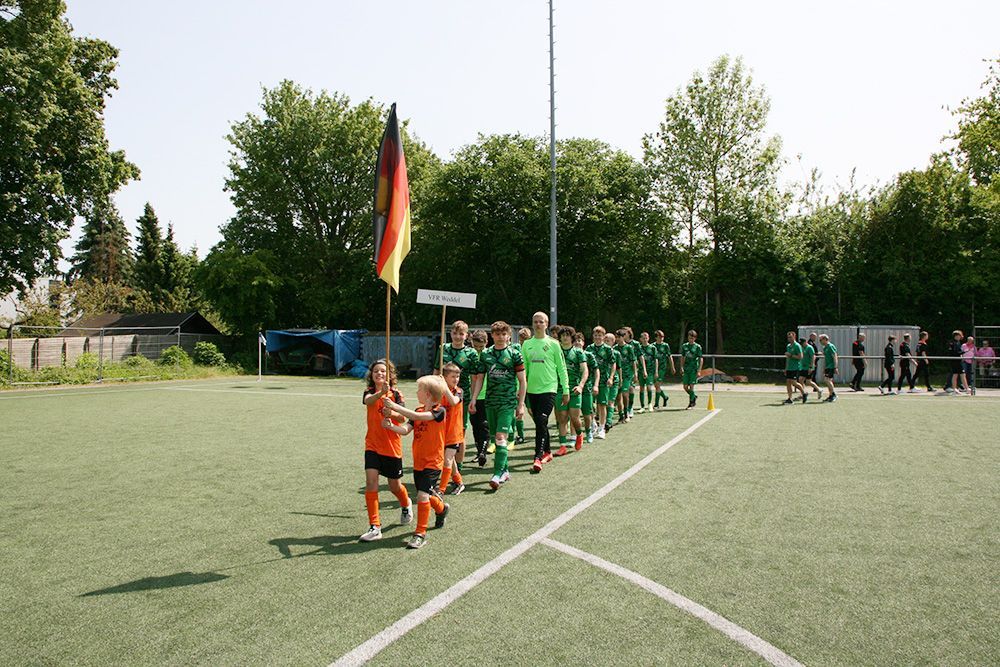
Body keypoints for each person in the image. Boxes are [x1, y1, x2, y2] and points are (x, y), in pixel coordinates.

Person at [381, 375, 452, 550]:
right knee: (427, 494)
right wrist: (390, 426)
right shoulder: (418, 410)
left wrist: (395, 406)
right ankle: (442, 509)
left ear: (428, 394)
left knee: (422, 495)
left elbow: (416, 416)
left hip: (433, 462)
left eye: (419, 390)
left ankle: (420, 533)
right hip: (419, 461)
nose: (417, 392)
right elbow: (406, 430)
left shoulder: (439, 411)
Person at [359, 359, 413, 542]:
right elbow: (368, 401)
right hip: (372, 444)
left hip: (391, 446)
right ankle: (375, 526)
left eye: (383, 371)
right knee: (371, 482)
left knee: (394, 486)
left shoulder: (396, 394)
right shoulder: (369, 392)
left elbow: (403, 417)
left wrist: (392, 413)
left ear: (390, 374)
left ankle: (405, 503)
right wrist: (381, 393)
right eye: (376, 371)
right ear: (372, 375)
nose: (379, 374)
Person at [469, 321, 527, 490]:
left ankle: (496, 474)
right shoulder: (486, 354)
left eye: (503, 334)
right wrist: (474, 399)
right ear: (492, 335)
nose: (501, 337)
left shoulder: (515, 354)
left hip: (507, 402)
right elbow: (479, 378)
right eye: (497, 334)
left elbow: (522, 381)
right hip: (490, 402)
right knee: (496, 438)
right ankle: (505, 471)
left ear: (508, 336)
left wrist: (521, 404)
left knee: (501, 437)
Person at [521, 311, 570, 472]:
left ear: (546, 324)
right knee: (540, 422)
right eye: (535, 321)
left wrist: (565, 389)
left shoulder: (554, 344)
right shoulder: (526, 344)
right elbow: (524, 370)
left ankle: (538, 456)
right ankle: (548, 452)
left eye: (541, 321)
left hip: (549, 389)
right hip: (532, 390)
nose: (538, 324)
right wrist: (521, 390)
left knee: (541, 420)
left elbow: (561, 368)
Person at [435, 320, 478, 470]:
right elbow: (436, 371)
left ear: (466, 335)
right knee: (441, 429)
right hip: (442, 395)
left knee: (459, 432)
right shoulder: (443, 348)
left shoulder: (471, 353)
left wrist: (473, 399)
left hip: (461, 397)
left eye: (461, 333)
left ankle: (458, 467)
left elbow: (474, 378)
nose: (457, 336)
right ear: (450, 333)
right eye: (455, 333)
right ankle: (443, 464)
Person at [554, 326, 588, 455]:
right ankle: (562, 446)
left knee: (574, 418)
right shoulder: (556, 351)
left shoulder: (578, 352)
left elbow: (585, 370)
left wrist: (580, 386)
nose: (565, 337)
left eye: (567, 335)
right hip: (560, 389)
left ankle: (579, 434)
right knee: (562, 418)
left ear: (572, 337)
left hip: (574, 390)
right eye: (562, 335)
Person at [438, 363, 466, 496]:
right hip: (441, 431)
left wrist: (444, 387)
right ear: (445, 377)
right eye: (453, 377)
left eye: (457, 376)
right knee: (449, 459)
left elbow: (453, 401)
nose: (456, 379)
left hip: (454, 432)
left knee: (447, 459)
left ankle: (441, 490)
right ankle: (459, 482)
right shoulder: (439, 391)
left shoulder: (458, 391)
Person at [586, 326, 616, 440]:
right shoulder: (589, 348)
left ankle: (602, 428)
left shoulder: (608, 349)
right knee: (590, 405)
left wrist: (611, 377)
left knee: (602, 404)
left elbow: (613, 363)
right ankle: (593, 424)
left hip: (603, 380)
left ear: (603, 337)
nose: (597, 337)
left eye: (600, 335)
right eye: (595, 335)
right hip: (590, 380)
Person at [467, 330, 492, 465]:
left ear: (486, 343)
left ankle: (483, 452)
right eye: (475, 346)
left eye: (481, 347)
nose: (478, 349)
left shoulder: (489, 355)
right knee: (475, 425)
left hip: (486, 395)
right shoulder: (470, 355)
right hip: (472, 396)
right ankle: (479, 452)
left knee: (484, 425)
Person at [575, 332, 600, 443]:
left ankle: (589, 431)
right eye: (575, 341)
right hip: (573, 387)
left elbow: (596, 370)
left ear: (583, 343)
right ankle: (575, 435)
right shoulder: (570, 355)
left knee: (587, 413)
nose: (577, 343)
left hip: (587, 388)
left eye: (579, 340)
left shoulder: (589, 355)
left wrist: (596, 385)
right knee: (573, 413)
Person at [512, 327, 532, 446]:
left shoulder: (532, 348)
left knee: (531, 410)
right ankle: (520, 435)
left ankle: (541, 428)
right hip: (518, 384)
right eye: (521, 339)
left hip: (530, 384)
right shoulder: (515, 348)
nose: (523, 341)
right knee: (517, 411)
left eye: (525, 339)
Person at [613, 329, 635, 424]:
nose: (617, 339)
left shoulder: (629, 348)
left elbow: (633, 361)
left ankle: (627, 413)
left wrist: (635, 374)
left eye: (619, 337)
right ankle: (621, 414)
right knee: (618, 396)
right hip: (617, 374)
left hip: (627, 374)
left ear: (623, 337)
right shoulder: (614, 348)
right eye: (616, 337)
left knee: (625, 394)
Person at [681, 329, 703, 409]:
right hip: (686, 369)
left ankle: (691, 403)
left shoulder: (697, 347)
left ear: (695, 338)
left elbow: (701, 359)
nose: (691, 339)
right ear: (688, 337)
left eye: (693, 338)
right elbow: (682, 357)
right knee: (685, 387)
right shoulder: (684, 346)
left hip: (693, 369)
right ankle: (693, 396)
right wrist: (681, 367)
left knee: (691, 386)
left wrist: (699, 370)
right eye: (690, 338)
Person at [653, 329, 675, 409]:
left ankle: (656, 404)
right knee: (656, 386)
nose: (661, 338)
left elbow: (669, 356)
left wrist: (672, 367)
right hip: (654, 368)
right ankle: (665, 397)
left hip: (662, 368)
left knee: (657, 384)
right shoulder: (653, 346)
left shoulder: (665, 345)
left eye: (662, 337)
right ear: (656, 337)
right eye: (660, 337)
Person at [606, 332, 623, 428]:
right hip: (604, 380)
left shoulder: (616, 353)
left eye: (608, 341)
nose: (606, 342)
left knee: (612, 401)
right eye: (605, 340)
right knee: (604, 402)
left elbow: (619, 368)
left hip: (614, 380)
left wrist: (620, 379)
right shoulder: (602, 351)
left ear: (613, 342)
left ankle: (609, 421)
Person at [783, 331, 806, 404]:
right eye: (788, 337)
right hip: (789, 367)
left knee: (794, 382)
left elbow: (800, 357)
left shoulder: (797, 346)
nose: (789, 338)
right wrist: (786, 368)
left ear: (794, 337)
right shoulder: (788, 346)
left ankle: (804, 393)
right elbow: (787, 358)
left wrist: (791, 355)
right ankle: (790, 398)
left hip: (795, 367)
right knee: (788, 382)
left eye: (790, 337)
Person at [637, 331, 656, 413]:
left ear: (648, 338)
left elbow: (656, 359)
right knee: (641, 388)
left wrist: (656, 371)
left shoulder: (652, 348)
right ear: (640, 339)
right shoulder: (639, 348)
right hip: (641, 371)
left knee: (649, 387)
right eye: (643, 338)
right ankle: (642, 406)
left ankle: (650, 403)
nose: (645, 340)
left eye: (646, 338)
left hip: (650, 371)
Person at [946, 330, 969, 394]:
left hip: (958, 361)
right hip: (955, 361)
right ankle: (957, 389)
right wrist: (964, 352)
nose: (961, 337)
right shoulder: (952, 343)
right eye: (959, 335)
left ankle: (965, 388)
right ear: (956, 336)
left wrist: (962, 355)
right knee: (957, 374)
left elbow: (958, 351)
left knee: (960, 374)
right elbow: (954, 352)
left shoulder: (958, 342)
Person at [819, 334, 838, 402]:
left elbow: (835, 356)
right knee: (827, 380)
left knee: (827, 380)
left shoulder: (830, 346)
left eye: (821, 340)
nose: (820, 341)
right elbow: (825, 358)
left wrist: (835, 367)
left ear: (825, 339)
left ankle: (833, 394)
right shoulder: (825, 347)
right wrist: (824, 368)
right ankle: (830, 395)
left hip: (831, 366)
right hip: (827, 366)